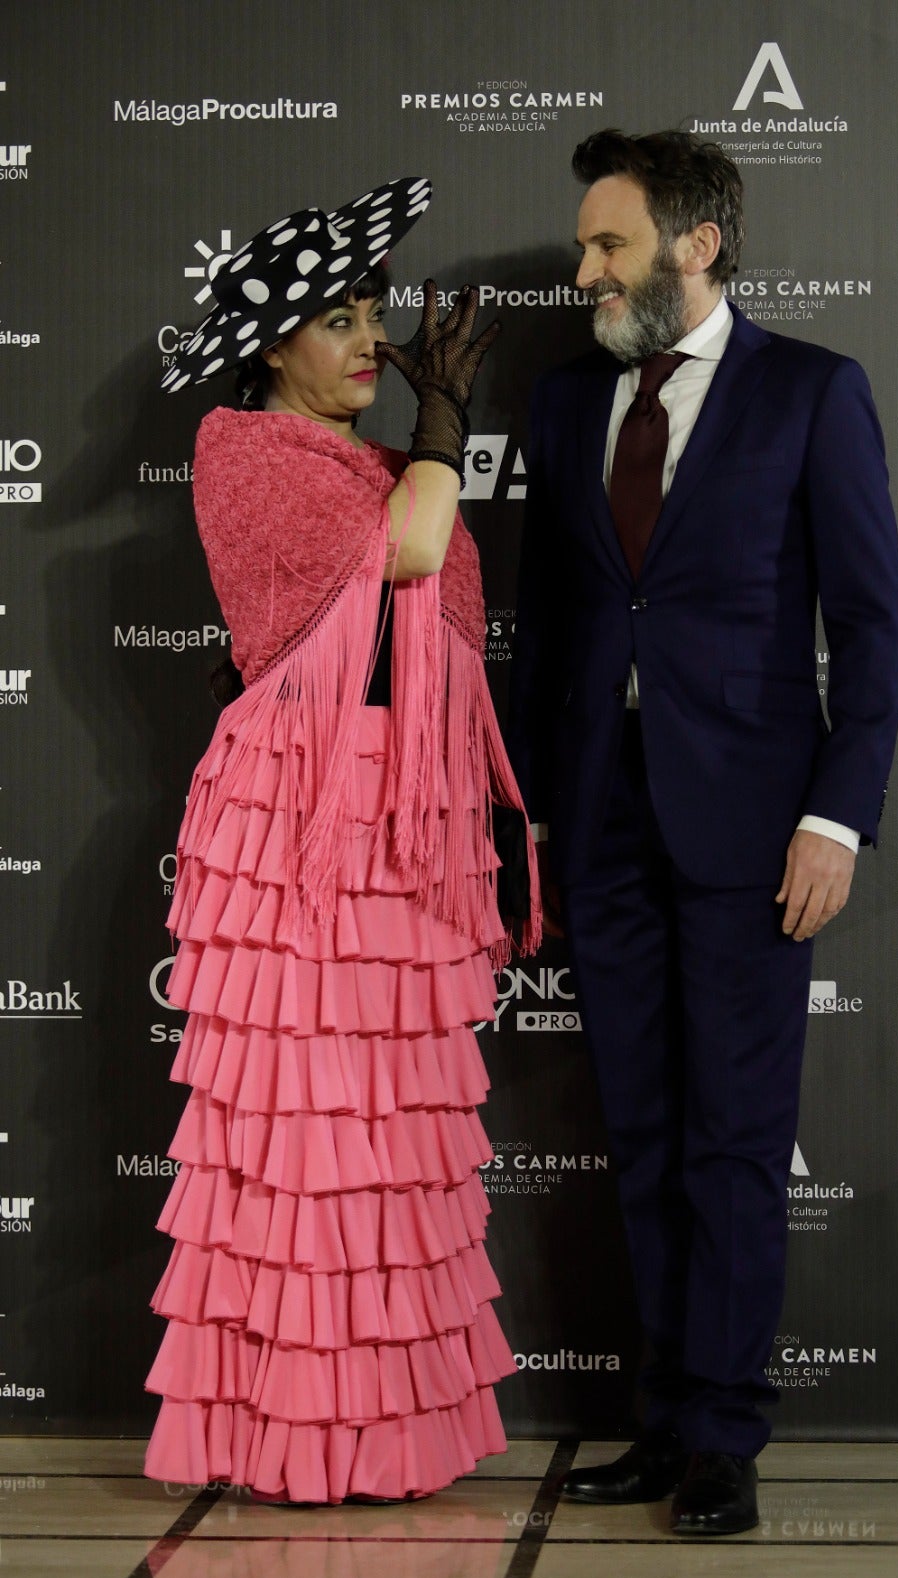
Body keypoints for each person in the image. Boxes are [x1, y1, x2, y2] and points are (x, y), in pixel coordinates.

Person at [508, 130, 898, 1536]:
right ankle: (664, 1418)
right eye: (581, 245)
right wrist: (538, 822)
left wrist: (834, 817)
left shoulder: (811, 392)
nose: (583, 271)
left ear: (698, 243)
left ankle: (725, 1438)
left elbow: (868, 626)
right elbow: (547, 631)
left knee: (735, 1138)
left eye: (607, 244)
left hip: (754, 826)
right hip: (601, 821)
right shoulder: (565, 407)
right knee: (645, 1131)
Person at [143, 178, 539, 1505]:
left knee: (386, 1131)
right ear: (270, 347)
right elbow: (415, 554)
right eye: (336, 317)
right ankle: (278, 1439)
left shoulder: (363, 461)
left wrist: (414, 441)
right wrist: (445, 420)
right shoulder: (241, 449)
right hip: (301, 829)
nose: (368, 339)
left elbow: (383, 596)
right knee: (302, 1132)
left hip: (402, 823)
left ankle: (381, 1435)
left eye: (375, 313)